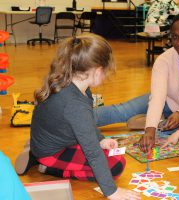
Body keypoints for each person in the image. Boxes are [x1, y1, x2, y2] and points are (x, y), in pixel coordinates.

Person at [15, 33, 140, 200]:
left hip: (53, 140)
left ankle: (35, 152)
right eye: (105, 73)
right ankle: (48, 166)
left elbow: (86, 125)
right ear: (97, 71)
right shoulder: (75, 105)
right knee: (116, 165)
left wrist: (100, 139)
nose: (105, 78)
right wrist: (112, 191)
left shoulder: (70, 81)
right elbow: (93, 152)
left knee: (109, 155)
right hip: (53, 152)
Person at [93, 13, 179, 153]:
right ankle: (75, 118)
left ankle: (155, 122)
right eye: (175, 37)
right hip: (166, 101)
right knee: (122, 110)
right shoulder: (164, 60)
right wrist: (150, 131)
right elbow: (157, 98)